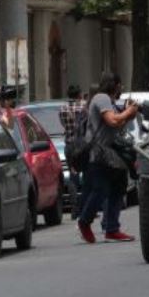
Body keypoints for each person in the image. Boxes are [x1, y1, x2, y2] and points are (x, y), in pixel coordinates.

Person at [77, 72, 139, 243]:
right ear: (116, 85)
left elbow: (118, 125)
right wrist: (129, 111)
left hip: (110, 153)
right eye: (120, 85)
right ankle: (84, 221)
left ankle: (112, 228)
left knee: (119, 187)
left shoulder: (109, 102)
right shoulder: (102, 98)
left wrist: (129, 113)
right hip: (99, 153)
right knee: (101, 189)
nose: (121, 89)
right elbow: (112, 121)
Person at [60, 84, 88, 218]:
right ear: (79, 94)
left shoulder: (63, 108)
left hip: (70, 144)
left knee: (73, 175)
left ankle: (74, 208)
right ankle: (85, 206)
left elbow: (63, 124)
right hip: (83, 144)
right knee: (87, 174)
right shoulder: (84, 106)